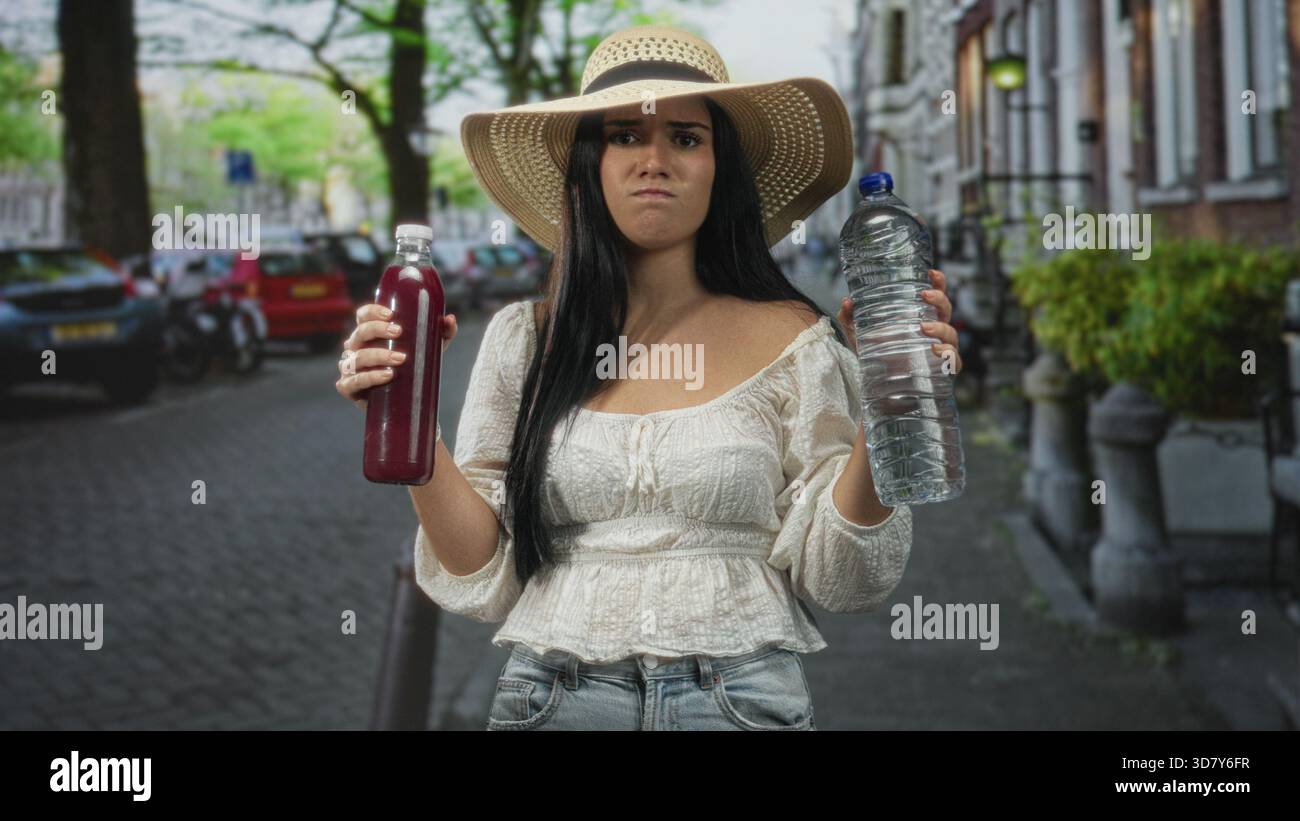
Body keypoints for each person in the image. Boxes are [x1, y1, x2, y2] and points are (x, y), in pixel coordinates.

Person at [334, 24, 962, 730]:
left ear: (720, 167)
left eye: (686, 138)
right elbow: (479, 569)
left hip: (739, 702)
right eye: (625, 136)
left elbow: (843, 581)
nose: (654, 160)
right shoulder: (526, 338)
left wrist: (890, 403)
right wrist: (406, 416)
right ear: (590, 165)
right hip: (552, 700)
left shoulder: (797, 341)